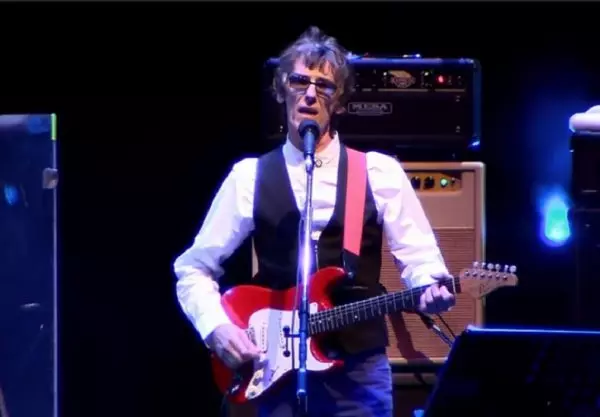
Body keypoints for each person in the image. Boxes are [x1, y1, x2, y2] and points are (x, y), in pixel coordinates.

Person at [173, 26, 455, 417]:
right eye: (299, 81)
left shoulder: (379, 172)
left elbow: (421, 260)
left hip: (358, 373)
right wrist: (216, 327)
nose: (309, 94)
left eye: (324, 86)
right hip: (275, 371)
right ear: (280, 90)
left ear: (339, 101)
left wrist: (431, 287)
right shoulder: (248, 177)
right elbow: (192, 268)